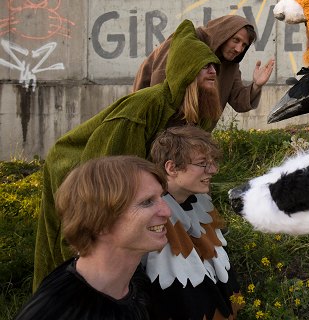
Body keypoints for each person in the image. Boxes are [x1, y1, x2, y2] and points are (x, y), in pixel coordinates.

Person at [33, 19, 222, 289]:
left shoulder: (198, 111)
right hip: (78, 165)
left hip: (125, 170)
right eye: (205, 66)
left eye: (214, 66)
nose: (213, 71)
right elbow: (106, 168)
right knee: (80, 240)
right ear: (185, 69)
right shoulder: (143, 107)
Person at [16, 156, 171, 320]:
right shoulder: (60, 311)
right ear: (99, 220)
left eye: (161, 197)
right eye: (147, 202)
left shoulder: (135, 282)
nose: (167, 212)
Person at [145, 125, 242, 320]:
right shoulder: (148, 213)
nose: (213, 170)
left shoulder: (200, 201)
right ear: (172, 168)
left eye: (212, 162)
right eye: (202, 163)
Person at [132, 15, 275, 121]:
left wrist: (256, 85)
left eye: (244, 45)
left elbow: (239, 100)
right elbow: (158, 81)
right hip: (156, 122)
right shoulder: (187, 40)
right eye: (236, 40)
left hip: (191, 134)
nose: (239, 49)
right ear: (224, 34)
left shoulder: (230, 63)